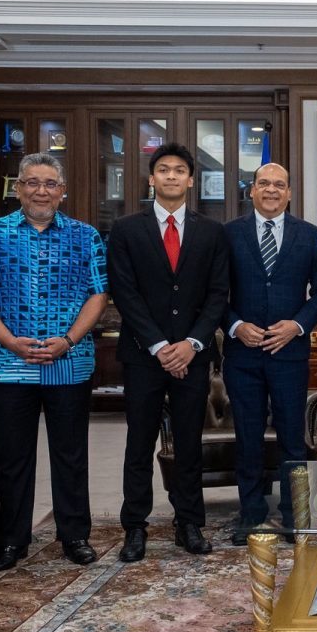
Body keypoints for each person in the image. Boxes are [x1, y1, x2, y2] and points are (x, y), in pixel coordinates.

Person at [0, 153, 108, 570]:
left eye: (50, 183)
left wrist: (68, 341)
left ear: (63, 191)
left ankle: (74, 535)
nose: (41, 191)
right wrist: (10, 342)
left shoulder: (86, 236)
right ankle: (12, 540)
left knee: (71, 455)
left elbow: (99, 294)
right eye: (32, 183)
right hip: (8, 365)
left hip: (69, 364)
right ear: (18, 189)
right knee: (13, 455)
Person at [108, 142, 230, 561]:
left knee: (189, 443)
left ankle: (189, 522)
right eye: (164, 170)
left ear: (191, 180)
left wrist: (192, 344)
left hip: (193, 356)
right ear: (152, 179)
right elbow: (124, 292)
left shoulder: (211, 231)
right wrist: (160, 346)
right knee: (139, 443)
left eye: (180, 170)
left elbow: (218, 294)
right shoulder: (126, 229)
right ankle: (134, 527)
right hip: (143, 355)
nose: (172, 176)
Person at [221, 162, 317, 545]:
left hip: (290, 354)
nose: (271, 190)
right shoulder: (229, 234)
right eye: (264, 183)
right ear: (252, 190)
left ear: (289, 193)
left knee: (291, 439)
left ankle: (293, 514)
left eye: (279, 185)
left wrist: (297, 325)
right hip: (243, 355)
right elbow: (214, 291)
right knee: (248, 437)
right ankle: (251, 514)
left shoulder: (308, 235)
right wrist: (236, 325)